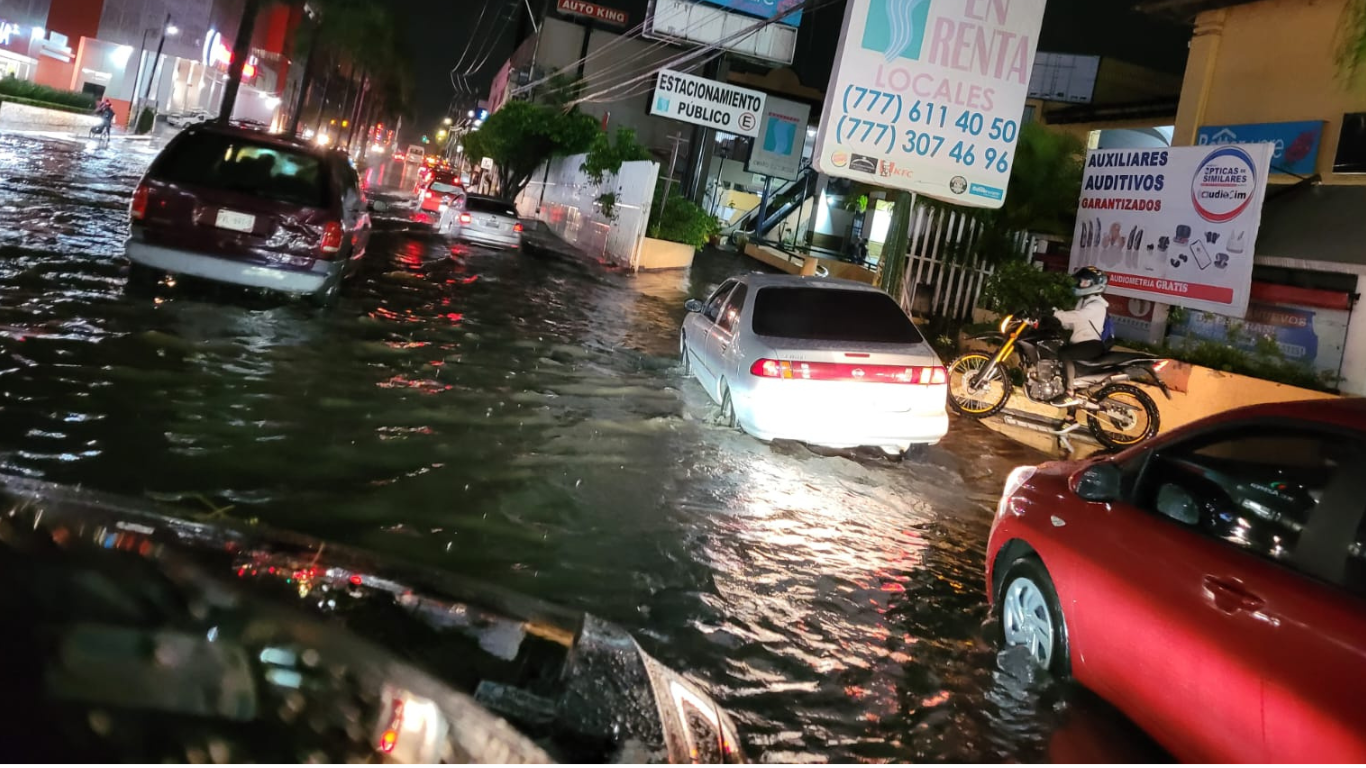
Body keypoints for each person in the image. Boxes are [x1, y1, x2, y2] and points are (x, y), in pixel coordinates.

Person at [1052, 266, 1110, 396]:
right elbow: (1072, 324)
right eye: (1081, 281)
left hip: (1091, 345)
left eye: (1085, 282)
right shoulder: (1082, 302)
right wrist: (1057, 319)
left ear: (1095, 284)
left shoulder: (1097, 305)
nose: (1081, 284)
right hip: (1080, 343)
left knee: (1064, 353)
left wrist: (1058, 314)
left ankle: (1069, 390)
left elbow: (1079, 316)